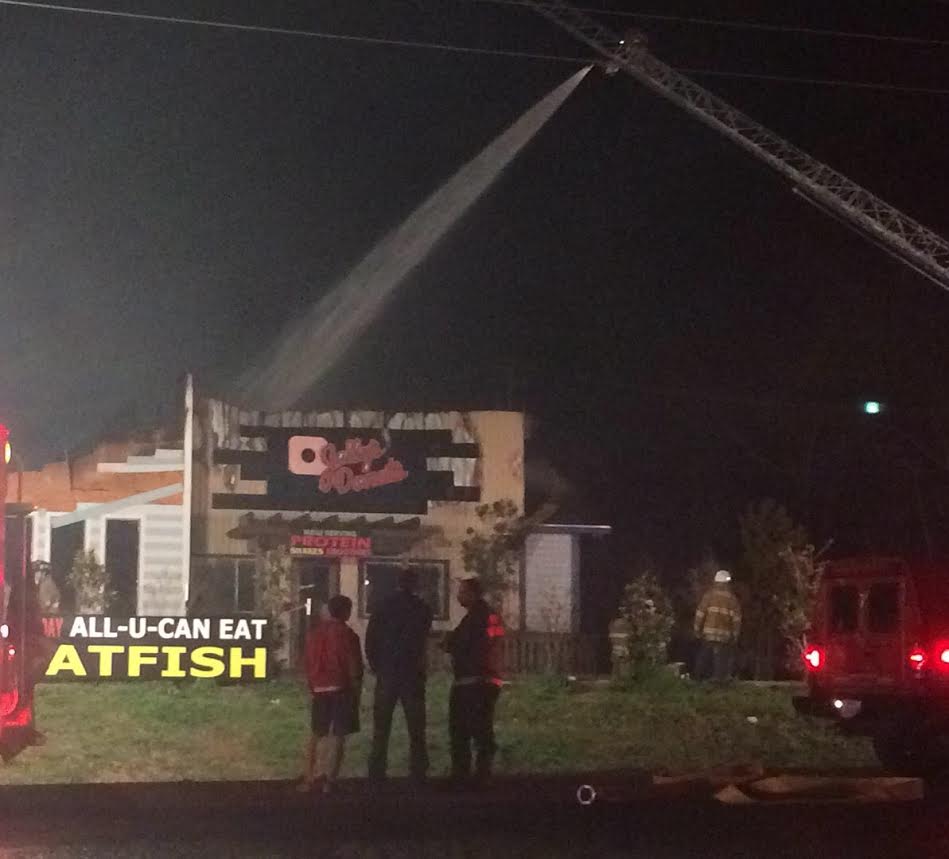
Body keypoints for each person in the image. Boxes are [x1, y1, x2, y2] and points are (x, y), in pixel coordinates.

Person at [365, 567, 433, 784]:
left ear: (398, 583)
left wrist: (376, 664)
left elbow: (371, 638)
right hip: (411, 672)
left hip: (387, 670)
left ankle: (377, 771)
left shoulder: (383, 606)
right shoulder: (422, 609)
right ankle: (418, 770)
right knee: (416, 726)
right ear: (415, 585)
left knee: (381, 726)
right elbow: (423, 637)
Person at [300, 594, 363, 795]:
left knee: (316, 733)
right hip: (341, 687)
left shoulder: (314, 633)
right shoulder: (348, 634)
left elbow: (307, 661)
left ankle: (309, 777)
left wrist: (312, 684)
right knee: (338, 735)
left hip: (319, 688)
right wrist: (356, 689)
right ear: (345, 612)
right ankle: (330, 781)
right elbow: (353, 664)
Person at [444, 576, 504, 786]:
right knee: (481, 728)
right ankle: (481, 773)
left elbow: (463, 644)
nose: (458, 596)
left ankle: (465, 776)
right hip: (484, 680)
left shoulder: (476, 618)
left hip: (473, 681)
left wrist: (450, 644)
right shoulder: (487, 616)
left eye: (462, 592)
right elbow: (495, 640)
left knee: (463, 730)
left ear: (472, 593)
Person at [693, 569, 742, 682]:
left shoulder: (709, 596)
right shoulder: (732, 599)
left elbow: (700, 614)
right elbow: (736, 619)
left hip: (708, 633)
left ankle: (697, 679)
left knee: (704, 656)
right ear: (727, 583)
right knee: (721, 658)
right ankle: (718, 680)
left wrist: (697, 629)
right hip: (724, 635)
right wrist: (735, 635)